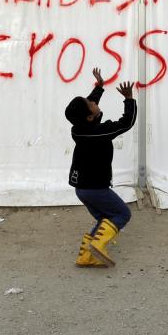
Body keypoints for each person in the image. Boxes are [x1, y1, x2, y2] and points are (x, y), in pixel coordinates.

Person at [63, 67, 137, 267]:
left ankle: (85, 257)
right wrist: (129, 99)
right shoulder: (98, 133)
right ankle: (98, 244)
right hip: (95, 187)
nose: (94, 102)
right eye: (91, 103)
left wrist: (99, 87)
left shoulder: (79, 129)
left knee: (105, 218)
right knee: (122, 214)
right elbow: (126, 123)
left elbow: (86, 108)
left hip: (82, 189)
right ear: (89, 117)